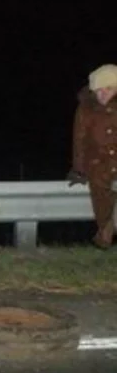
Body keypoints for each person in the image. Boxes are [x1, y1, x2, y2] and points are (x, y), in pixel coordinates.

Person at [68, 63, 117, 248]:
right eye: (98, 90)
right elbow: (79, 141)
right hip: (98, 161)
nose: (103, 94)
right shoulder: (86, 109)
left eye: (108, 89)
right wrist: (78, 170)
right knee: (99, 186)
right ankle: (105, 229)